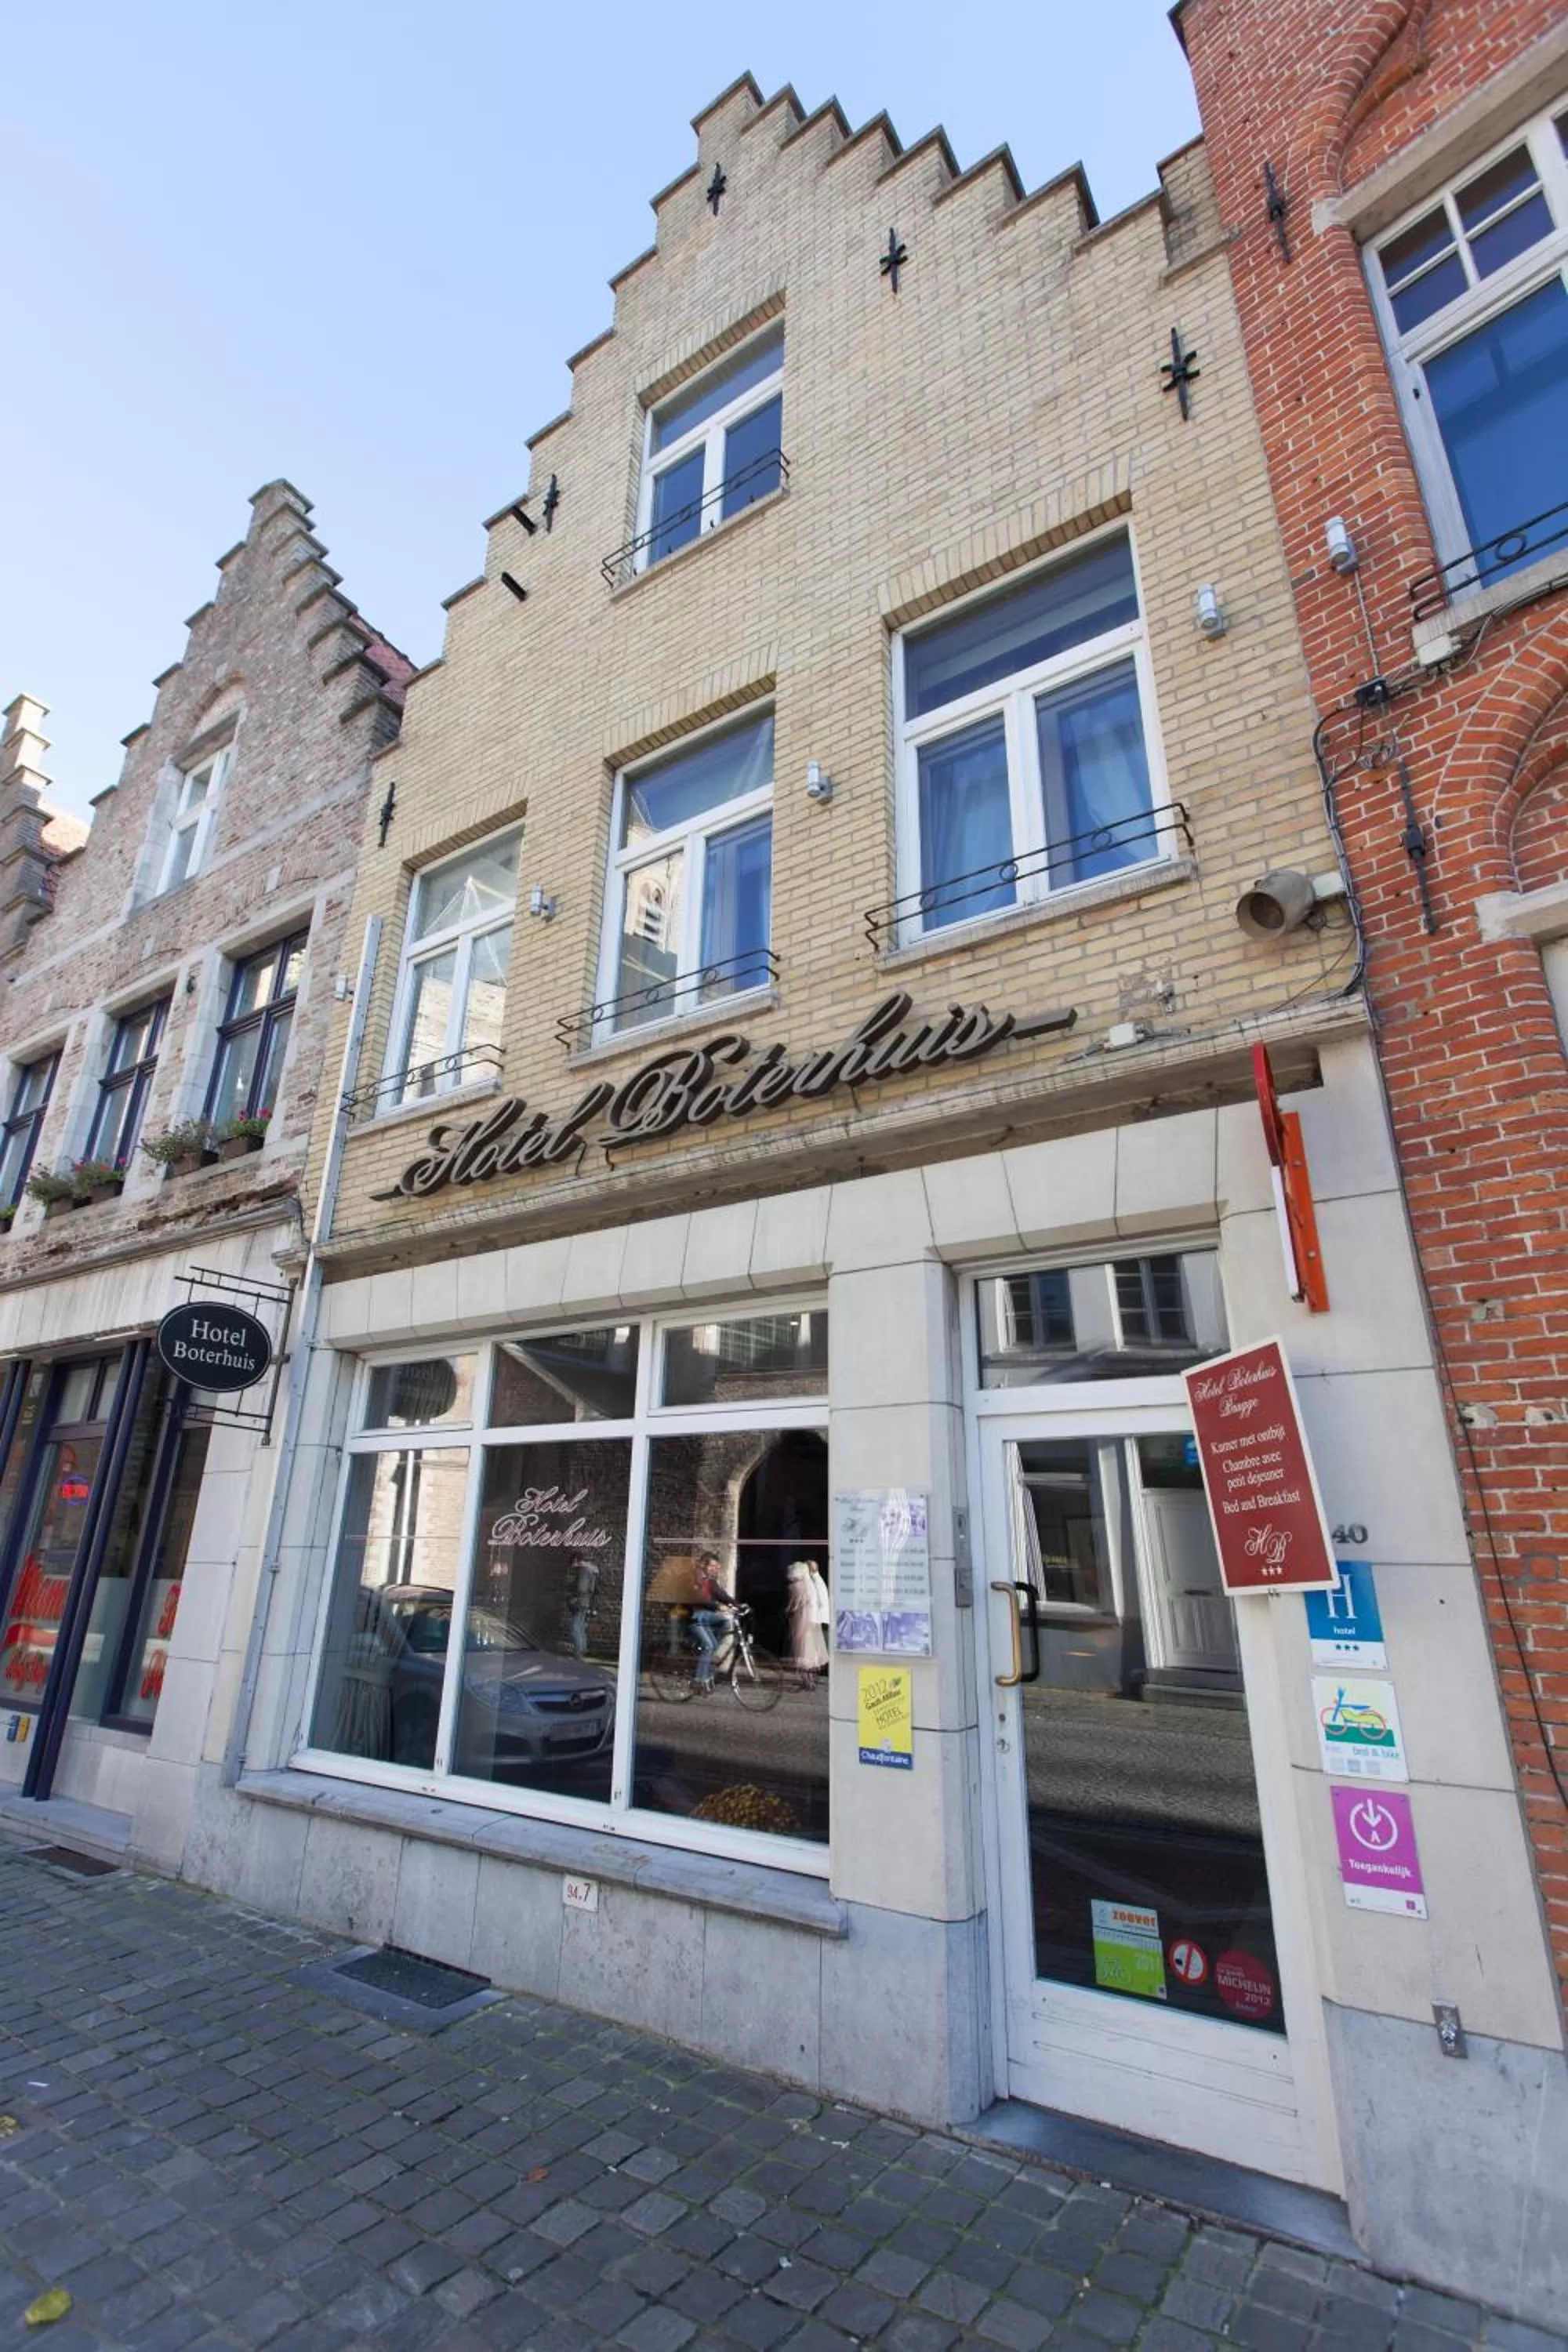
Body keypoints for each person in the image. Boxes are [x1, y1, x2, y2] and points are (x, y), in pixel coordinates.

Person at [691, 1552, 735, 1691]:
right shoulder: (695, 1578)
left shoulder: (710, 1580)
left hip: (704, 1617)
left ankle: (707, 1678)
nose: (715, 1569)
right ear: (704, 1565)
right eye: (712, 1566)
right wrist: (717, 1606)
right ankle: (699, 1680)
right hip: (693, 1618)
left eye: (717, 1566)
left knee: (714, 1645)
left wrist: (738, 1605)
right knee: (709, 1646)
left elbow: (722, 1595)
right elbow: (700, 1598)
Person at [786, 1560, 828, 1675]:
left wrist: (789, 1611)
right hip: (812, 1618)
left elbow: (794, 1606)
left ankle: (806, 1673)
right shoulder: (811, 1584)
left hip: (803, 1619)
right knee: (811, 1644)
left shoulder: (797, 1586)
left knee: (803, 1645)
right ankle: (809, 1673)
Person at [566, 1557, 599, 1657]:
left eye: (572, 1564)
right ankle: (582, 1649)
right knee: (580, 1627)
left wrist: (574, 1597)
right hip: (585, 1602)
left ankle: (578, 1651)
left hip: (580, 1602)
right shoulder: (591, 1571)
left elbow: (581, 1588)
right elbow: (591, 1589)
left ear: (575, 1560)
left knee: (575, 1627)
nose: (572, 1567)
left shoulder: (583, 1571)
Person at [807, 1560, 832, 1677]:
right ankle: (824, 1668)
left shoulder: (817, 1582)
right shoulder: (817, 1581)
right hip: (822, 1619)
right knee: (822, 1647)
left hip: (822, 1620)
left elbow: (822, 1603)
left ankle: (826, 1669)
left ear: (811, 1570)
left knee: (823, 1647)